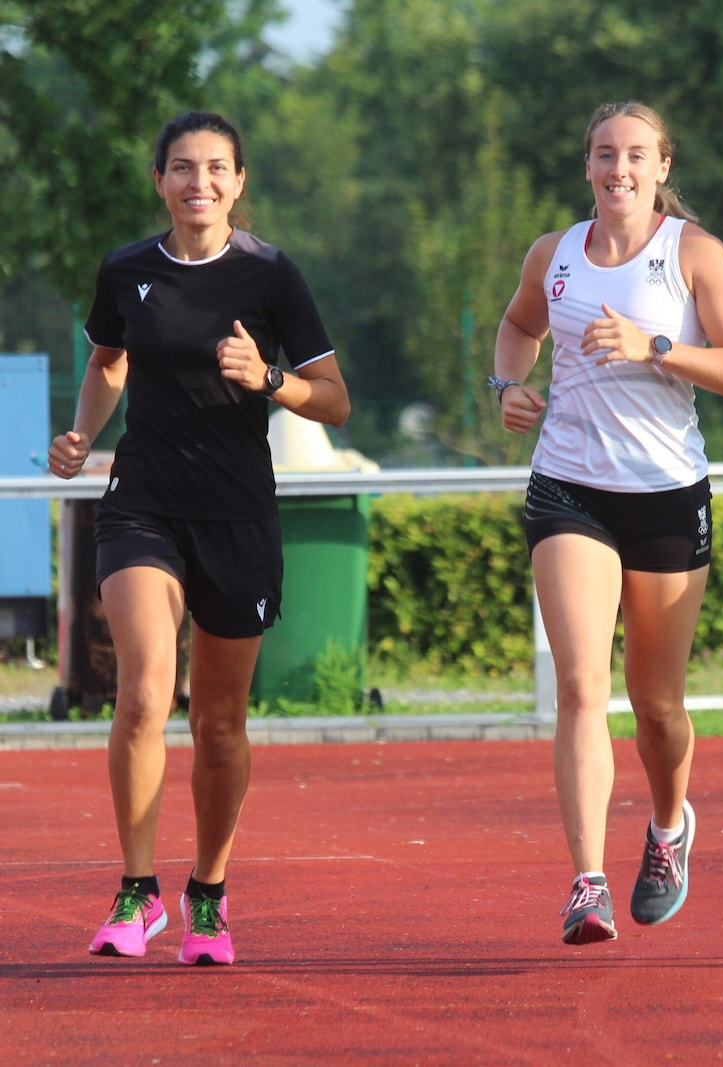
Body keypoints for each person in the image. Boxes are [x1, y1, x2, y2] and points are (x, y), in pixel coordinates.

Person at [49, 111, 350, 965]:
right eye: (182, 167)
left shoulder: (270, 275)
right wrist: (81, 434)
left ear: (239, 181)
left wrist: (271, 379)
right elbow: (108, 362)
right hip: (142, 501)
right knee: (146, 690)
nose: (199, 183)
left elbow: (335, 399)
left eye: (216, 168)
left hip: (238, 515)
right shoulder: (127, 270)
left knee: (219, 723)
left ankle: (207, 895)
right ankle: (136, 891)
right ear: (160, 180)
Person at [490, 101, 723, 945]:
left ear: (661, 168)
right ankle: (587, 880)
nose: (620, 169)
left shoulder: (695, 255)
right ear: (586, 167)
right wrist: (510, 387)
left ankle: (670, 824)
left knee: (657, 705)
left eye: (636, 155)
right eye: (605, 154)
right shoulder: (555, 254)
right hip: (569, 485)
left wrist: (655, 346)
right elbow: (517, 326)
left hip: (666, 495)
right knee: (580, 685)